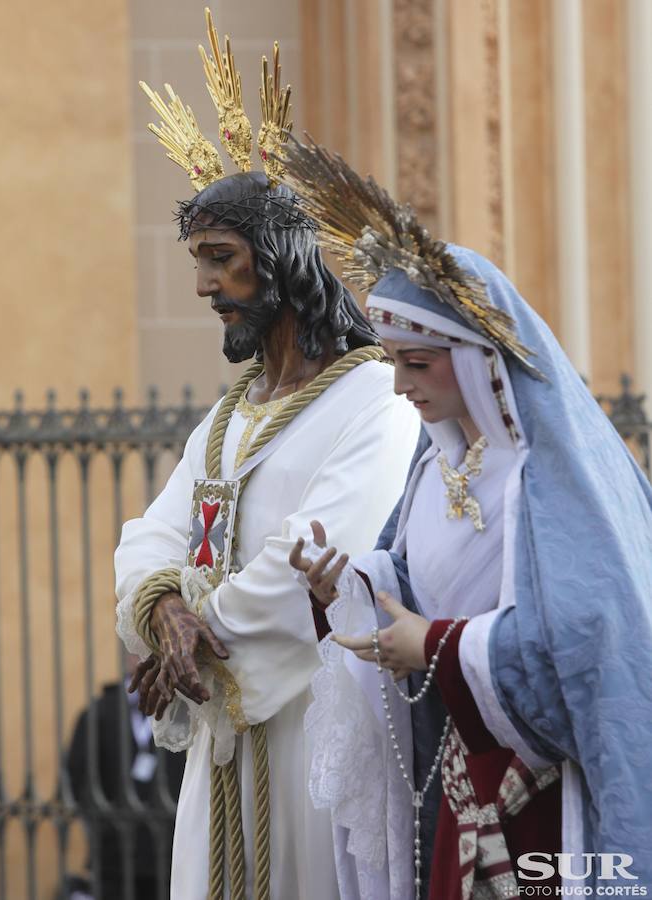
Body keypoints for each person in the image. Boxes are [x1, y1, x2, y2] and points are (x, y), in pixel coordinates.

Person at [286, 136, 652, 899]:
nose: (398, 387)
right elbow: (415, 587)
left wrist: (440, 646)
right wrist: (351, 587)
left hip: (550, 806)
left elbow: (594, 639)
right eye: (390, 361)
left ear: (481, 359)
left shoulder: (547, 480)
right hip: (465, 784)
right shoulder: (435, 466)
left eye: (416, 364)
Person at [115, 14, 420, 898]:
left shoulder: (375, 397)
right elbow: (151, 534)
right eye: (198, 262)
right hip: (224, 742)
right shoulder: (228, 418)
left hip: (312, 734)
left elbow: (321, 551)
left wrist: (198, 643)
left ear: (279, 261)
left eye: (222, 259)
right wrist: (166, 613)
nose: (205, 285)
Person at [64, 655, 185, 900]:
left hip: (172, 856)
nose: (143, 656)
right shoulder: (98, 713)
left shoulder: (185, 711)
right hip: (115, 859)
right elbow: (79, 778)